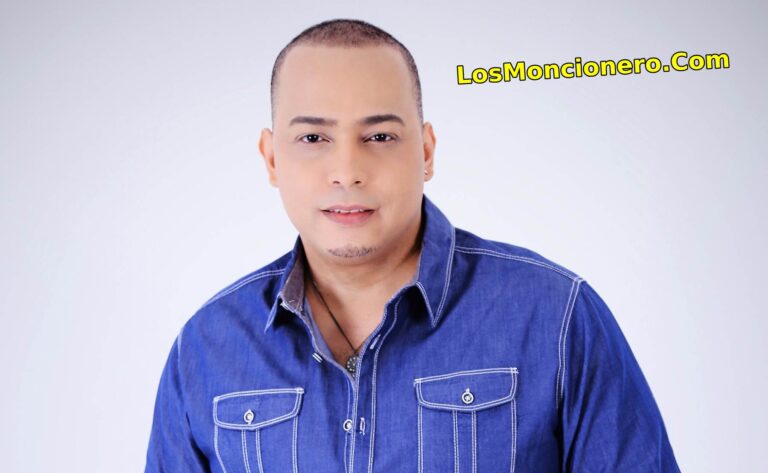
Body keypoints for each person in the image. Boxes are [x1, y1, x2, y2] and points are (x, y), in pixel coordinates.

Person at [144, 18, 681, 473]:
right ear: (271, 159)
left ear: (425, 152)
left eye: (379, 136)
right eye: (313, 138)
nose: (347, 171)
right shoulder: (204, 350)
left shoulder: (557, 318)